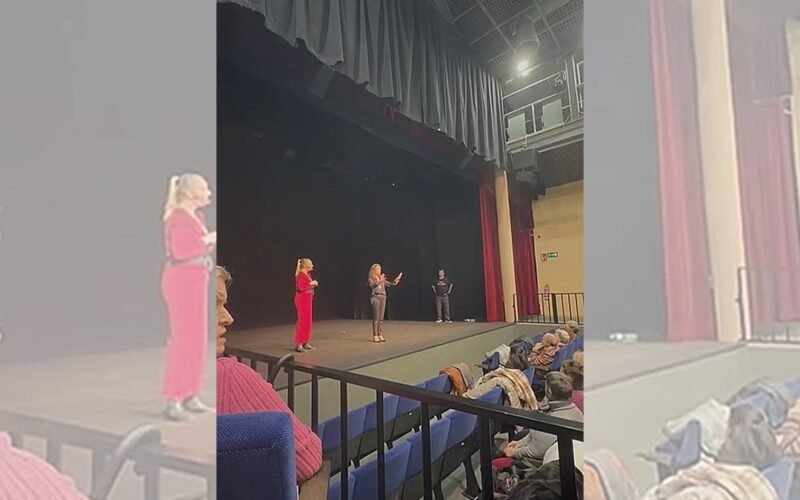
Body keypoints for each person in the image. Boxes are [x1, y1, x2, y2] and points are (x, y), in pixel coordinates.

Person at [216, 266, 323, 484]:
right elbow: (307, 458)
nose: (228, 318)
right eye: (213, 304)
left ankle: (304, 342)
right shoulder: (226, 377)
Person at [161, 174, 215, 421]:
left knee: (197, 339)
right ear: (192, 192)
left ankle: (190, 393)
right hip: (182, 280)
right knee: (182, 339)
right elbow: (182, 250)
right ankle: (173, 398)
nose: (209, 193)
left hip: (195, 280)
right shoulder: (178, 217)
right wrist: (208, 240)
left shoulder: (196, 217)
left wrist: (206, 242)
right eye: (204, 189)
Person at [502, 372, 583, 470]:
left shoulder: (552, 422)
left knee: (498, 460)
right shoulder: (576, 411)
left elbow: (533, 452)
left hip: (543, 465)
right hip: (545, 452)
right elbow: (536, 436)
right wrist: (520, 443)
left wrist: (513, 452)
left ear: (549, 393)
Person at [367, 263, 402, 343]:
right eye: (377, 269)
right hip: (376, 297)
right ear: (374, 270)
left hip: (383, 297)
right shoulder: (371, 278)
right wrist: (380, 281)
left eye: (380, 269)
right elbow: (373, 285)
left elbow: (389, 284)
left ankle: (380, 334)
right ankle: (375, 335)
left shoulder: (381, 278)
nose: (379, 270)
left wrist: (396, 280)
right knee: (376, 318)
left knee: (381, 318)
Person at [294, 258, 318, 353]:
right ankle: (299, 343)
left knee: (308, 320)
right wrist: (312, 283)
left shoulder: (307, 274)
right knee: (302, 320)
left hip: (307, 299)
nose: (312, 265)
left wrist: (312, 284)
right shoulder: (301, 275)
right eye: (310, 263)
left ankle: (305, 341)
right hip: (302, 299)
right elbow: (301, 287)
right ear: (305, 265)